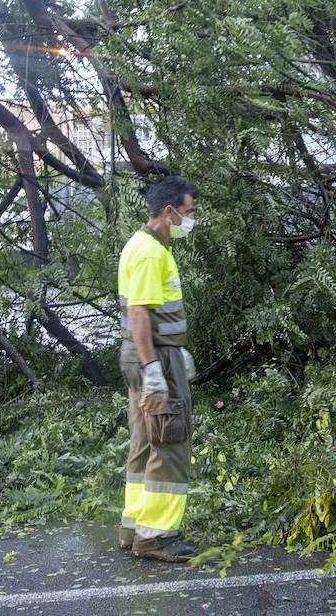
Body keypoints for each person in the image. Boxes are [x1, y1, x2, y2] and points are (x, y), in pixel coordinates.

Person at [118, 175, 200, 563]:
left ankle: (136, 527)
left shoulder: (139, 244)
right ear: (169, 212)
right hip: (153, 358)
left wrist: (173, 349)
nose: (190, 219)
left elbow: (149, 314)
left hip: (147, 354)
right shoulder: (151, 252)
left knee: (146, 442)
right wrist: (155, 367)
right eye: (188, 212)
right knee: (170, 442)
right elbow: (139, 313)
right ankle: (158, 536)